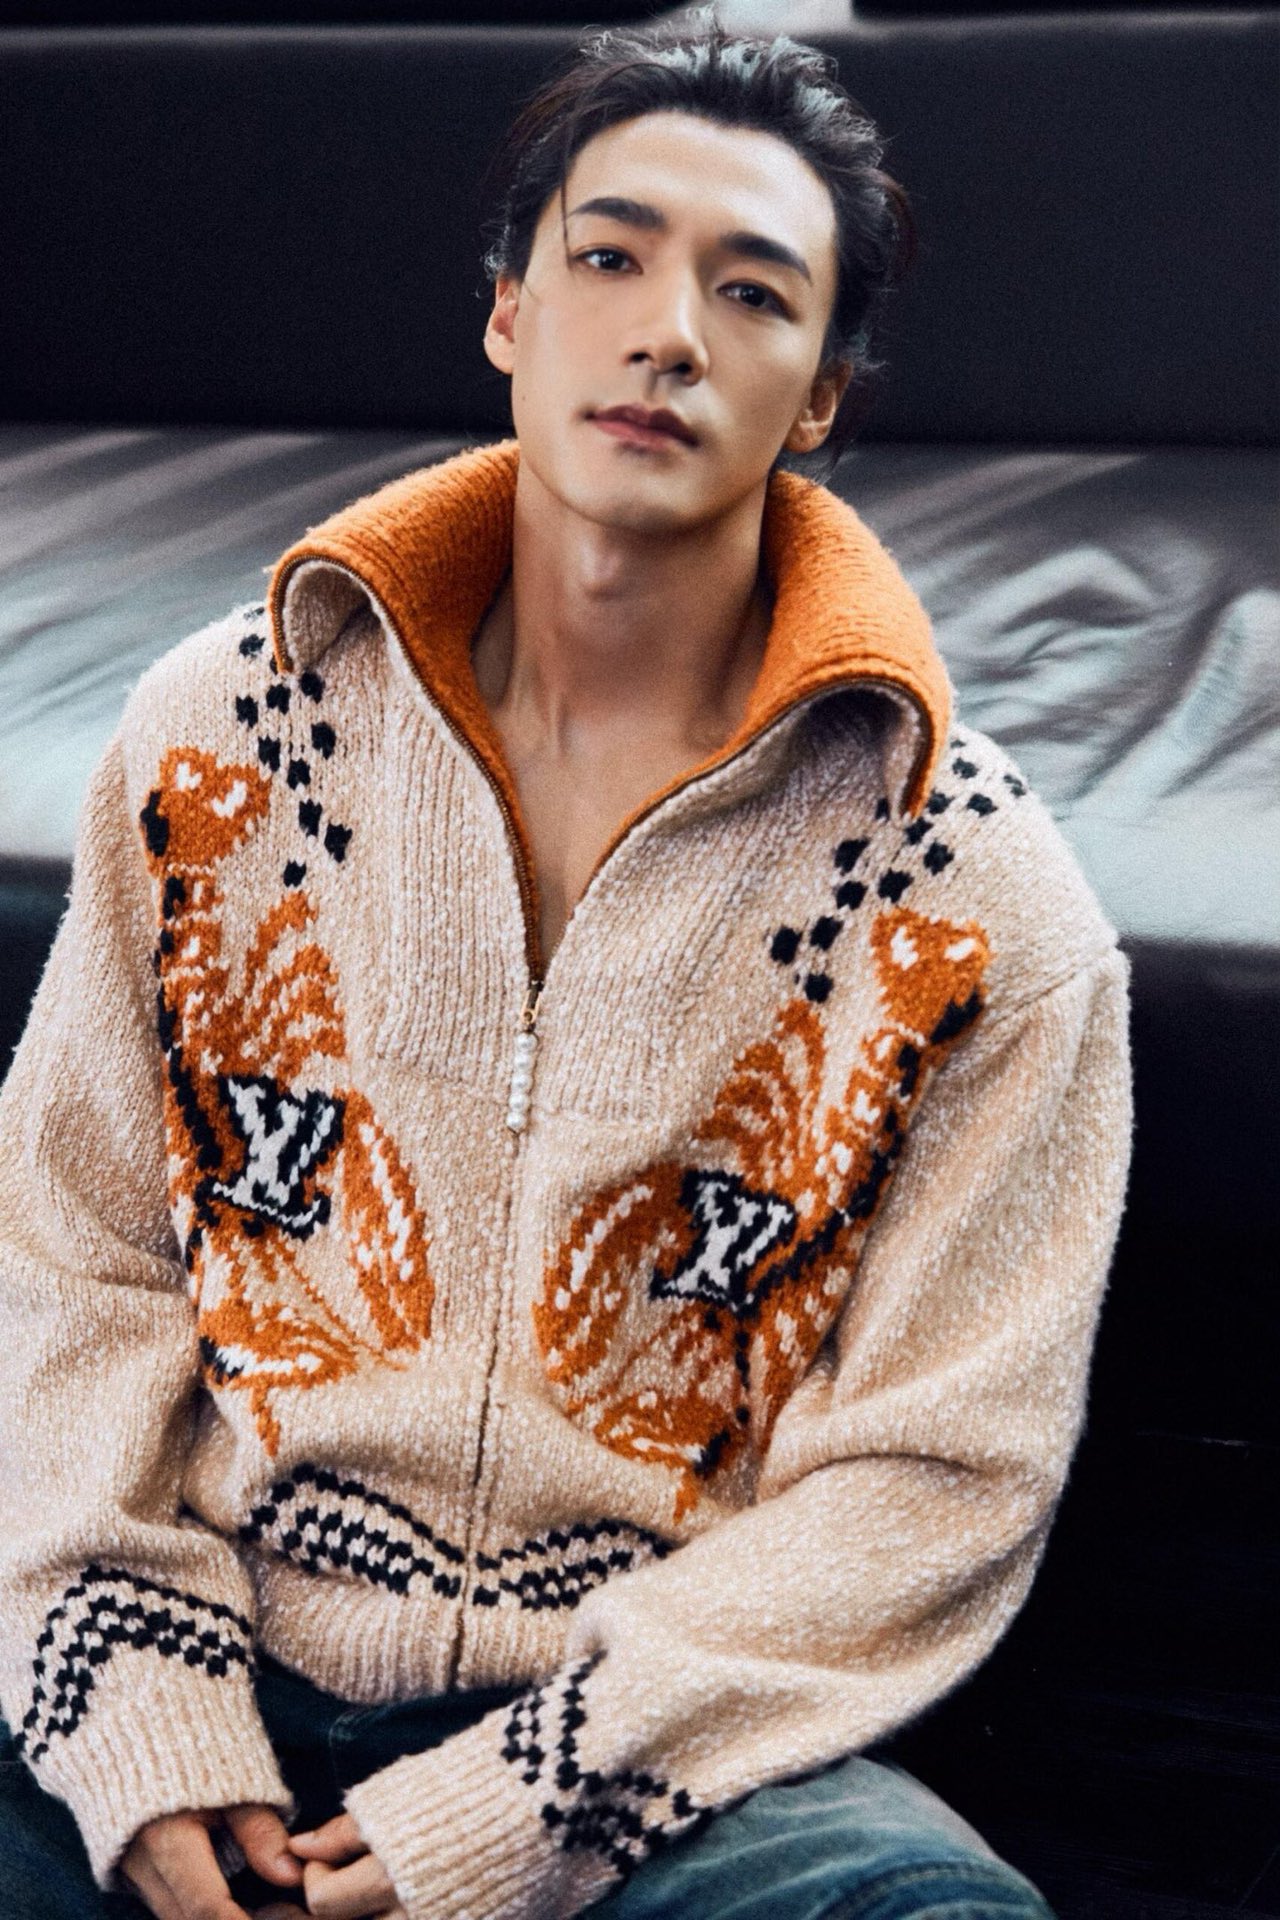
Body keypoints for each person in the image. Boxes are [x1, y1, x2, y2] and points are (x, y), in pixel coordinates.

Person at [0, 15, 1132, 1920]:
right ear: (509, 315)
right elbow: (70, 1246)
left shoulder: (979, 900)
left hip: (645, 1750)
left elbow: (939, 1474)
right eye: (610, 256)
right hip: (203, 1644)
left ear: (820, 396)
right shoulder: (222, 737)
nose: (667, 330)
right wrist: (136, 1718)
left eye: (752, 291)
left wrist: (521, 1807)